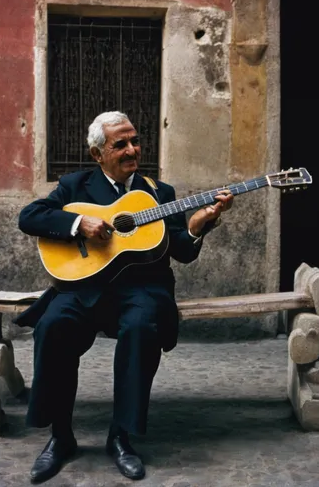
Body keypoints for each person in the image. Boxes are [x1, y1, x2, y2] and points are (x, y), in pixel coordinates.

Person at [15, 111, 234, 484]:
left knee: (140, 328)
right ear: (97, 154)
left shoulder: (158, 193)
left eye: (135, 141)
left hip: (142, 291)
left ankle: (121, 437)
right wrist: (78, 224)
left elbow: (181, 249)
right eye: (121, 144)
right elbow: (29, 216)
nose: (133, 149)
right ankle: (61, 437)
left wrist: (198, 225)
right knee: (52, 326)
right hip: (86, 288)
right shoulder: (75, 185)